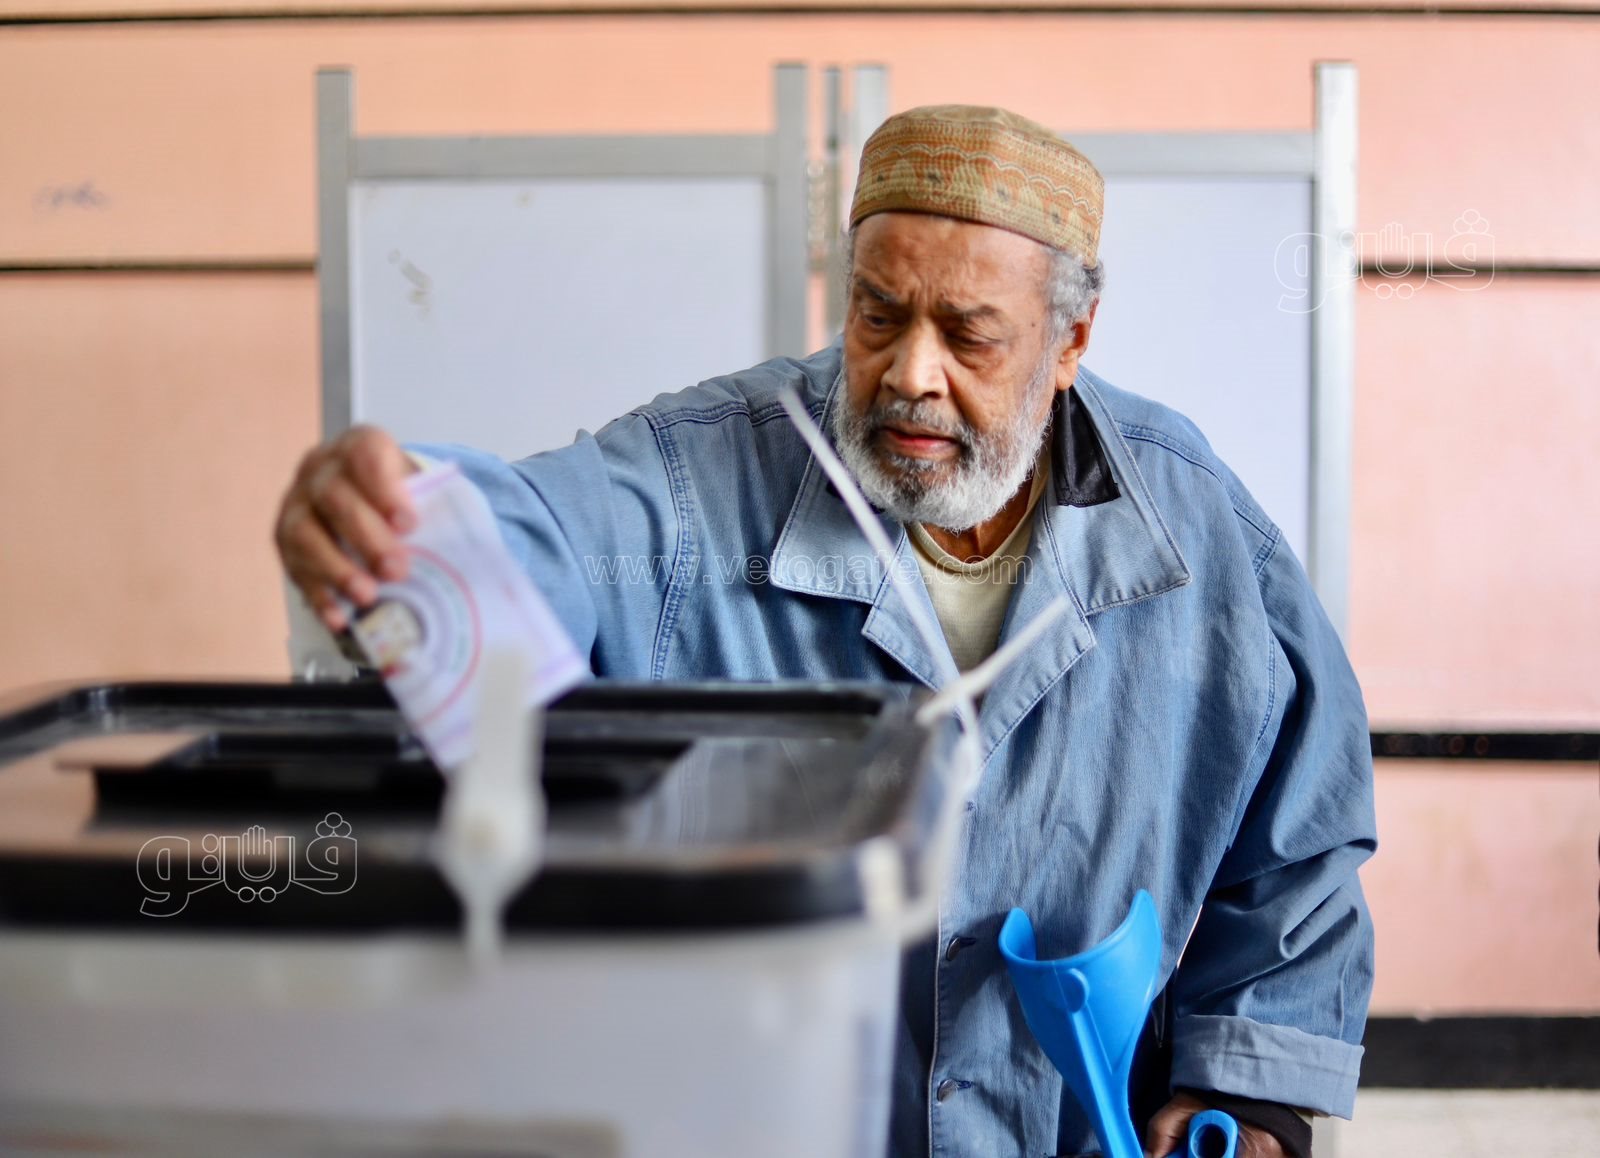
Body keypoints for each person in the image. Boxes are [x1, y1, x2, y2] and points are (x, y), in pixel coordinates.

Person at [276, 105, 1376, 1158]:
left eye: (970, 335)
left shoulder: (1191, 529)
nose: (910, 374)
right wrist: (410, 522)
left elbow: (1296, 848)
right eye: (878, 315)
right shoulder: (699, 473)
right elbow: (544, 533)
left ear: (1070, 337)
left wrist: (1248, 1092)